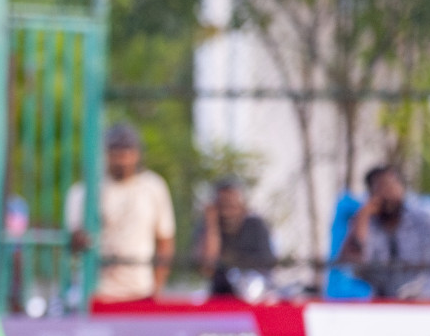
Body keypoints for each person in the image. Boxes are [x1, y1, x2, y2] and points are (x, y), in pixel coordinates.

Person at [66, 122, 174, 302]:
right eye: (116, 154)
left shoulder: (153, 187)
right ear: (105, 154)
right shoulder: (85, 191)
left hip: (140, 290)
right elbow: (73, 242)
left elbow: (165, 241)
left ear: (138, 154)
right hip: (96, 292)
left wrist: (157, 288)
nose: (122, 160)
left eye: (127, 153)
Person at [339, 164, 430, 300]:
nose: (388, 193)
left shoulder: (427, 219)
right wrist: (362, 218)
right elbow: (350, 265)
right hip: (387, 305)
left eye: (392, 186)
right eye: (381, 188)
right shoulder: (368, 223)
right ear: (371, 194)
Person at [195, 177, 276, 297]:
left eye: (232, 205)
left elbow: (267, 263)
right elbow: (207, 268)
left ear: (242, 205)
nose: (227, 212)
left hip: (255, 292)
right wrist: (211, 224)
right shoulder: (207, 227)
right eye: (223, 205)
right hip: (220, 294)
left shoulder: (256, 225)